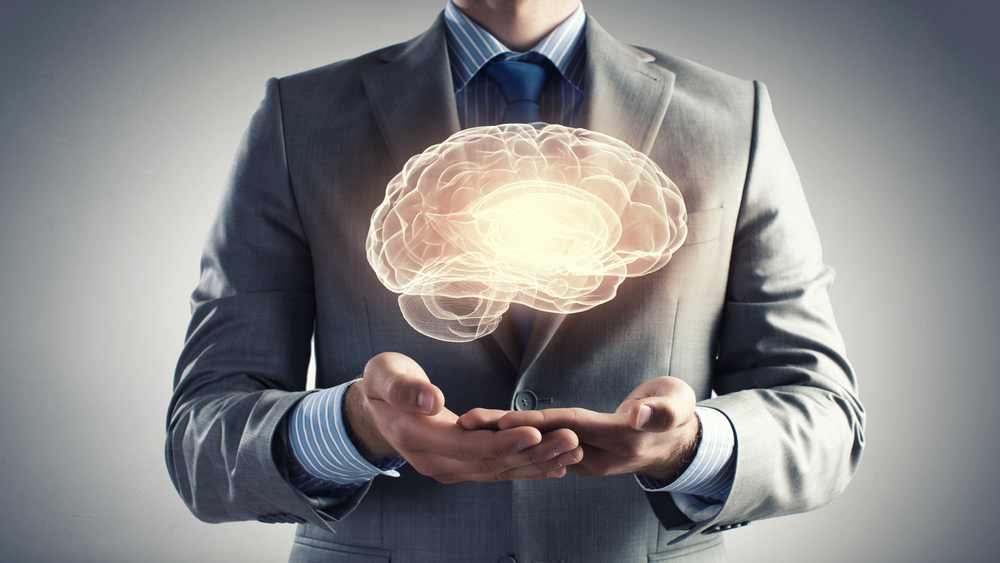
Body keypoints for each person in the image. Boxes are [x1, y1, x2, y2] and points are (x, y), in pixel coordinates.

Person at [166, 1, 865, 561]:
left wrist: (689, 444)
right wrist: (353, 429)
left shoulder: (729, 119)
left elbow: (824, 416)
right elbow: (202, 436)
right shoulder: (303, 117)